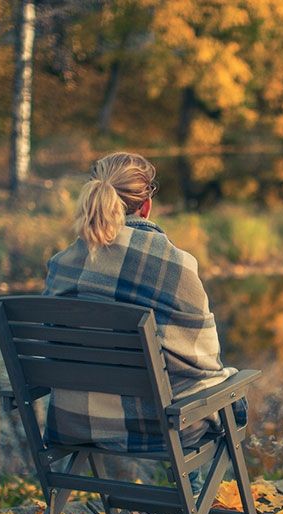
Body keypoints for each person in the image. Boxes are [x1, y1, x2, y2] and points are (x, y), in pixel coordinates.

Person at [42, 151, 244, 455]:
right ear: (146, 206)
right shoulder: (176, 265)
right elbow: (205, 361)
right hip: (160, 430)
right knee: (228, 399)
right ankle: (195, 499)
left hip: (76, 425)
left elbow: (53, 348)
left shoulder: (61, 265)